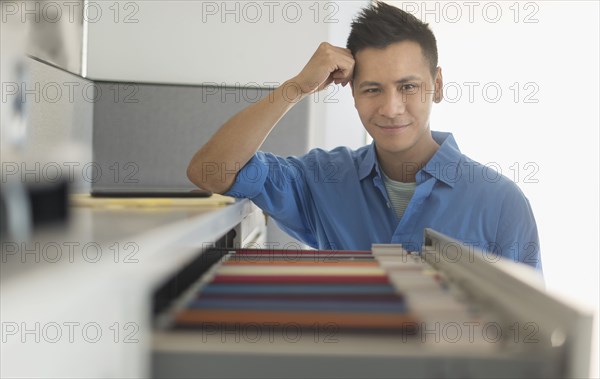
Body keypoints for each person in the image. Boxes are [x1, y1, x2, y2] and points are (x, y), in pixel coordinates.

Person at [187, 2, 542, 271]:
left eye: (408, 87)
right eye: (372, 89)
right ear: (352, 93)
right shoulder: (323, 180)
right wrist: (296, 87)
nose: (391, 108)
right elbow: (210, 172)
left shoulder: (502, 204)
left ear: (436, 86)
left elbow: (530, 345)